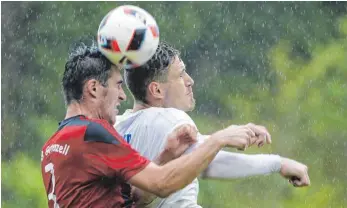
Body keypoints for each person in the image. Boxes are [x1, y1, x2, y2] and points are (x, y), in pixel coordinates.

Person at [41, 41, 268, 208]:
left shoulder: (53, 145)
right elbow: (162, 184)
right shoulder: (93, 133)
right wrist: (220, 138)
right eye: (118, 85)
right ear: (93, 88)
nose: (122, 96)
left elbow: (134, 199)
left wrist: (165, 156)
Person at [115, 41, 311, 207]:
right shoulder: (172, 118)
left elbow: (200, 159)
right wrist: (278, 163)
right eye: (181, 75)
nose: (190, 80)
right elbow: (211, 164)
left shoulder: (117, 127)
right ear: (156, 90)